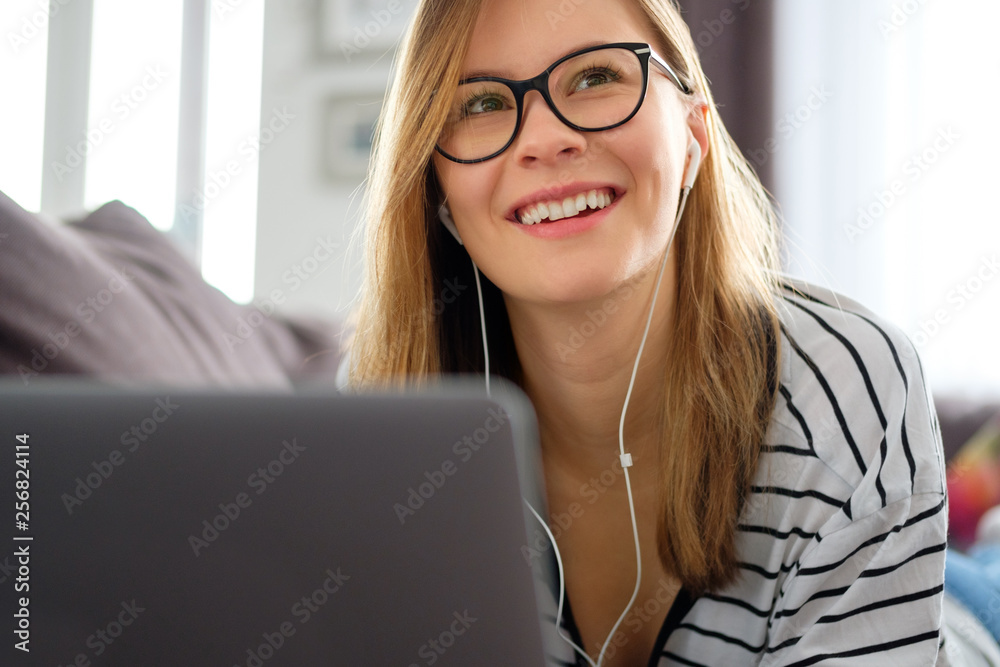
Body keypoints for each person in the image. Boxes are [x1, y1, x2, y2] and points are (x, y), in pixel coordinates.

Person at [342, 0, 966, 664]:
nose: (545, 138)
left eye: (594, 78)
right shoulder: (386, 418)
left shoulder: (854, 386)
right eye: (481, 104)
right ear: (441, 195)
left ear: (695, 135)